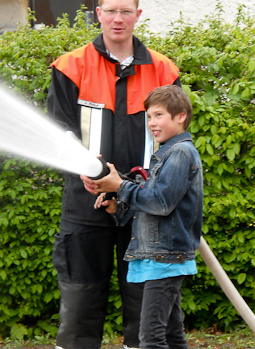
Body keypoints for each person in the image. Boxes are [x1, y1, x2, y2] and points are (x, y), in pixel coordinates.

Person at [47, 0, 181, 348]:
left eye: (125, 11)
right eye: (110, 11)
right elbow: (59, 129)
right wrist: (86, 170)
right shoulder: (71, 66)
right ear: (98, 14)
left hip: (143, 203)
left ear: (138, 15)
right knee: (80, 298)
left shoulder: (164, 70)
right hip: (84, 200)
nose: (117, 19)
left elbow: (175, 137)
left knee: (145, 303)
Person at [87, 84, 202, 349]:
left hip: (166, 258)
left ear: (181, 115)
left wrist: (120, 186)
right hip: (161, 257)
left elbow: (161, 203)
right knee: (172, 336)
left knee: (150, 338)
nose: (151, 123)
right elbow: (155, 204)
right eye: (149, 116)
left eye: (159, 115)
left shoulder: (180, 154)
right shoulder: (165, 155)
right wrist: (118, 206)